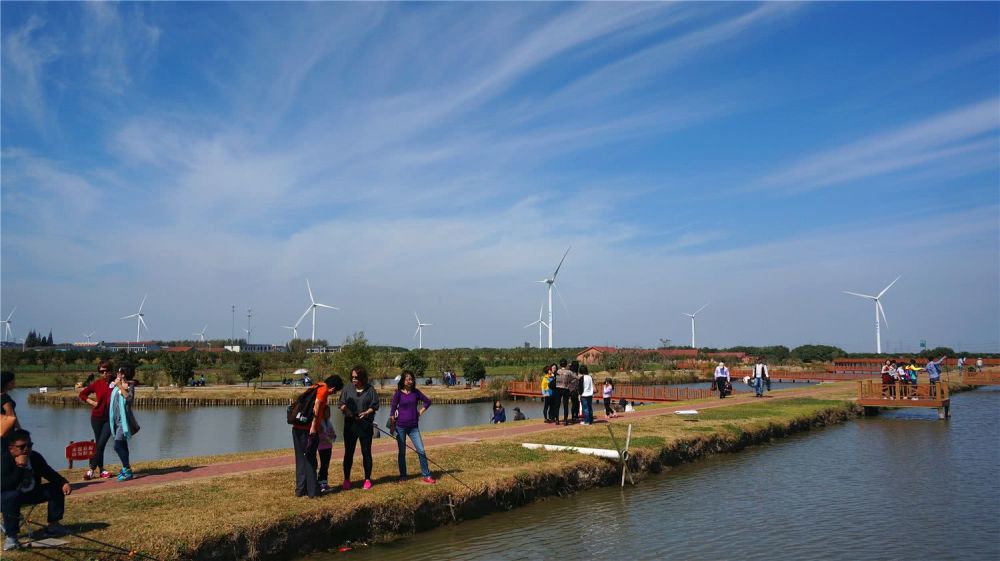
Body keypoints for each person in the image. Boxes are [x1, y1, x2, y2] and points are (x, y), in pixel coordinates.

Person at [2, 429, 71, 551]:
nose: (26, 449)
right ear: (11, 448)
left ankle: (53, 526)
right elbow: (6, 486)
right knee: (11, 496)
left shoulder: (35, 457)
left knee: (55, 488)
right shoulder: (4, 460)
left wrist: (63, 482)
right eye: (22, 446)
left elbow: (48, 473)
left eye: (29, 445)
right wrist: (20, 467)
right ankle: (11, 537)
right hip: (6, 497)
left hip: (31, 493)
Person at [292, 374, 343, 498]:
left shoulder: (315, 386)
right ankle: (312, 491)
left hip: (297, 427)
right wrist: (314, 427)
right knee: (310, 459)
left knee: (300, 459)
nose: (332, 393)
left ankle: (300, 490)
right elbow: (317, 405)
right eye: (335, 391)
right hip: (308, 430)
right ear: (333, 387)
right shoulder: (324, 389)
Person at [389, 370, 435, 484]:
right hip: (400, 427)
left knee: (421, 450)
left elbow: (428, 402)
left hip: (414, 427)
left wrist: (420, 412)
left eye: (412, 379)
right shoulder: (398, 394)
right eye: (408, 379)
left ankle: (426, 475)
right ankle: (403, 476)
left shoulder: (416, 392)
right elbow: (392, 410)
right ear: (403, 381)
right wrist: (392, 424)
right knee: (402, 452)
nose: (410, 381)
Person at [338, 366, 379, 490]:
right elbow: (341, 404)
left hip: (365, 425)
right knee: (348, 453)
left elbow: (375, 405)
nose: (354, 379)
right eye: (352, 377)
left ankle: (367, 479)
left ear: (362, 377)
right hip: (350, 425)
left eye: (356, 377)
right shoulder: (347, 388)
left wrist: (366, 412)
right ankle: (346, 479)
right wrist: (348, 411)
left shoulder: (370, 389)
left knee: (366, 452)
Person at [78, 360, 115, 480]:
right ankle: (102, 470)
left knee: (101, 444)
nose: (104, 373)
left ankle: (91, 470)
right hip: (96, 418)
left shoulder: (116, 383)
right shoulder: (97, 383)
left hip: (109, 419)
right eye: (101, 371)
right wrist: (92, 402)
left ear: (110, 371)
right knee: (99, 445)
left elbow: (132, 383)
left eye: (107, 371)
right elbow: (82, 394)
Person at [109, 367, 140, 481]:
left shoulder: (129, 387)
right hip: (115, 420)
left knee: (117, 446)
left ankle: (127, 469)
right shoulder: (115, 386)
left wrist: (120, 386)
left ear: (124, 374)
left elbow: (129, 399)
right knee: (123, 445)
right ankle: (126, 469)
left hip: (124, 421)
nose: (117, 374)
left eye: (120, 373)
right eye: (117, 372)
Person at [317, 405, 336, 493]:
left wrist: (332, 437)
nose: (329, 413)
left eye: (329, 412)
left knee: (326, 465)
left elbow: (333, 433)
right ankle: (321, 483)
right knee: (323, 465)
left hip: (329, 446)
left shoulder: (329, 422)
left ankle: (324, 482)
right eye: (327, 412)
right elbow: (321, 435)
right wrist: (328, 437)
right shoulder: (320, 423)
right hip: (322, 447)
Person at [555, 360, 576, 425]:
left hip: (558, 388)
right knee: (565, 405)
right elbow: (576, 377)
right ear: (566, 364)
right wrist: (570, 382)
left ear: (560, 364)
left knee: (557, 405)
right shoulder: (569, 372)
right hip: (565, 389)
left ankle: (557, 420)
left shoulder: (557, 371)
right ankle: (565, 420)